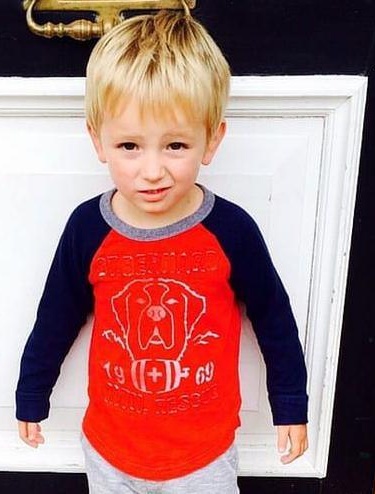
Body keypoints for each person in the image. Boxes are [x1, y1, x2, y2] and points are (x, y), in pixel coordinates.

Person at [15, 8, 308, 493]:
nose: (152, 171)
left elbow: (274, 318)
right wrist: (32, 391)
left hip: (204, 457)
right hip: (112, 452)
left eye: (175, 145)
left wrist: (290, 403)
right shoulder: (88, 229)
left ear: (211, 141)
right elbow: (55, 317)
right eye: (130, 146)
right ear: (98, 141)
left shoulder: (231, 231)